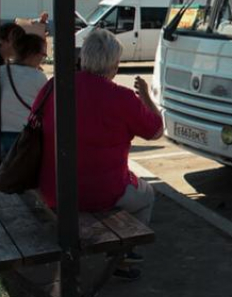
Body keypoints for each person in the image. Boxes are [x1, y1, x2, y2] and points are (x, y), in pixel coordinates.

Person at [35, 29, 163, 281]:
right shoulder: (122, 97)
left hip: (53, 189)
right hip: (101, 193)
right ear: (114, 65)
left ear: (84, 57)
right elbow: (156, 131)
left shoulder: (54, 85)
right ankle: (122, 258)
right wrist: (147, 98)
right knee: (147, 195)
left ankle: (118, 253)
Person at [0, 34, 49, 158]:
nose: (43, 58)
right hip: (26, 135)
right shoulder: (38, 77)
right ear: (33, 54)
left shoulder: (1, 71)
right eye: (43, 54)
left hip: (0, 134)